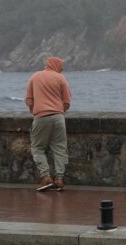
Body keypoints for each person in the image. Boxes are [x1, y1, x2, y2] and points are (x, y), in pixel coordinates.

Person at [25, 56, 71, 192]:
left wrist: (35, 112)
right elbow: (67, 102)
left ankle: (45, 177)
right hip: (58, 117)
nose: (62, 69)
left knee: (38, 148)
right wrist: (60, 110)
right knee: (60, 148)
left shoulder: (34, 77)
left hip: (41, 117)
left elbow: (29, 100)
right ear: (56, 65)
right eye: (61, 66)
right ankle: (59, 179)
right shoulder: (61, 78)